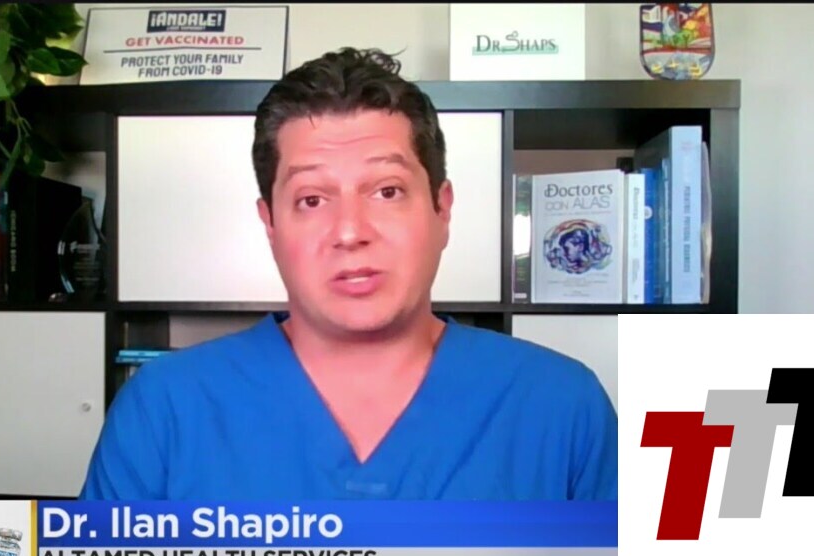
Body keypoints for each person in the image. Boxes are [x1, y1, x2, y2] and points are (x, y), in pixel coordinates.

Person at [79, 48, 618, 501]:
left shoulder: (563, 406)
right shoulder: (164, 410)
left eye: (387, 191)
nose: (350, 231)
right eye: (312, 199)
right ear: (270, 224)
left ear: (442, 209)